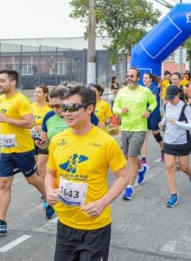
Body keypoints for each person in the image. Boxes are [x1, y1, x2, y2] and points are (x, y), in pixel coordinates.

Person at [45, 86, 128, 261]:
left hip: (95, 228)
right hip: (65, 225)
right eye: (64, 108)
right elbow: (50, 173)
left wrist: (103, 202)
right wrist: (49, 191)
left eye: (73, 108)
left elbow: (123, 176)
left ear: (90, 108)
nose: (67, 113)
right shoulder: (58, 140)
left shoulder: (106, 142)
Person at [0, 70, 54, 234]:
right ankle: (1, 222)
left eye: (2, 81)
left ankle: (48, 199)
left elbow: (29, 123)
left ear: (13, 82)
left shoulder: (21, 99)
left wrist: (7, 120)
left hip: (23, 150)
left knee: (33, 180)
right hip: (6, 150)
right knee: (3, 184)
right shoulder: (1, 98)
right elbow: (3, 118)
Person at [113, 68, 157, 200]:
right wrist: (121, 111)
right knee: (128, 157)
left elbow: (154, 102)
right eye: (127, 76)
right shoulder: (121, 92)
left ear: (138, 78)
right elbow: (115, 107)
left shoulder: (145, 91)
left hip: (139, 129)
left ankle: (129, 188)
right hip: (125, 128)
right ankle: (141, 169)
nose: (129, 78)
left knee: (131, 159)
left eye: (132, 76)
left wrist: (149, 110)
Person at [159, 85, 191, 208]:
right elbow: (167, 116)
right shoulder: (167, 105)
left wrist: (178, 123)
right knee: (169, 167)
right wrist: (162, 122)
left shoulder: (185, 108)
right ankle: (174, 195)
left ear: (178, 95)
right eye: (168, 98)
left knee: (184, 167)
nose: (170, 100)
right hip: (169, 140)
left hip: (182, 142)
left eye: (172, 98)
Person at [140, 73, 164, 167]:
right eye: (143, 78)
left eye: (146, 78)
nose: (144, 79)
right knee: (143, 136)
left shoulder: (153, 88)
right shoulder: (141, 89)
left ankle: (163, 149)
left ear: (150, 79)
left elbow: (153, 101)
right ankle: (143, 159)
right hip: (143, 115)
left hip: (153, 114)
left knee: (156, 134)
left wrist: (148, 110)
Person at [30, 85, 52, 182]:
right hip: (32, 139)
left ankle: (46, 191)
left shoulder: (50, 108)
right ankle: (47, 186)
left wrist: (41, 128)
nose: (36, 94)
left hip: (45, 139)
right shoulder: (31, 106)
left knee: (40, 166)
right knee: (37, 168)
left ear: (45, 94)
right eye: (35, 92)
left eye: (39, 92)